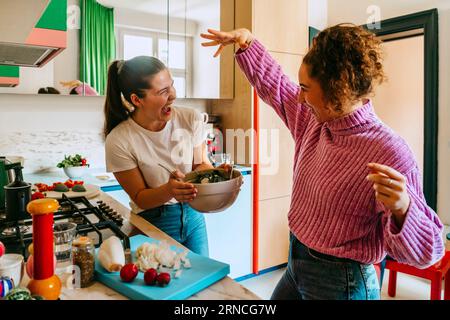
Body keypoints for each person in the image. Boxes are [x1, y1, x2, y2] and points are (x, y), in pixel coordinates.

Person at [201, 25, 445, 300]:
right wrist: (247, 43)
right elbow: (277, 86)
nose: (300, 98)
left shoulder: (389, 151)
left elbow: (429, 251)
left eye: (306, 88)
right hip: (297, 261)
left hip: (342, 281)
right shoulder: (313, 120)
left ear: (337, 90)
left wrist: (404, 209)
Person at [103, 56, 221, 256]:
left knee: (202, 282)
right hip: (153, 221)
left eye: (172, 86)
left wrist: (219, 178)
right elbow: (140, 198)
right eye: (163, 91)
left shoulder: (190, 118)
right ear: (136, 100)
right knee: (161, 284)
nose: (173, 95)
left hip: (193, 216)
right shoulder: (119, 140)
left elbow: (200, 164)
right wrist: (169, 190)